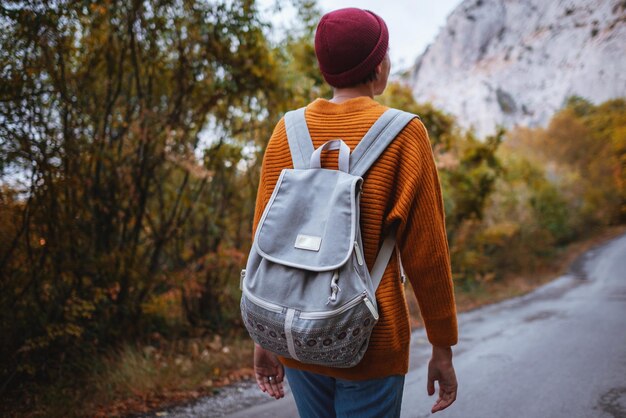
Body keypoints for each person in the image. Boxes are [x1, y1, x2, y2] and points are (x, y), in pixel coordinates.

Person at [250, 7, 458, 417]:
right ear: (378, 66)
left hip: (298, 335)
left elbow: (266, 245)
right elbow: (428, 255)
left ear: (326, 69)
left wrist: (267, 336)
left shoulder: (287, 131)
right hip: (370, 339)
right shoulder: (404, 134)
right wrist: (442, 346)